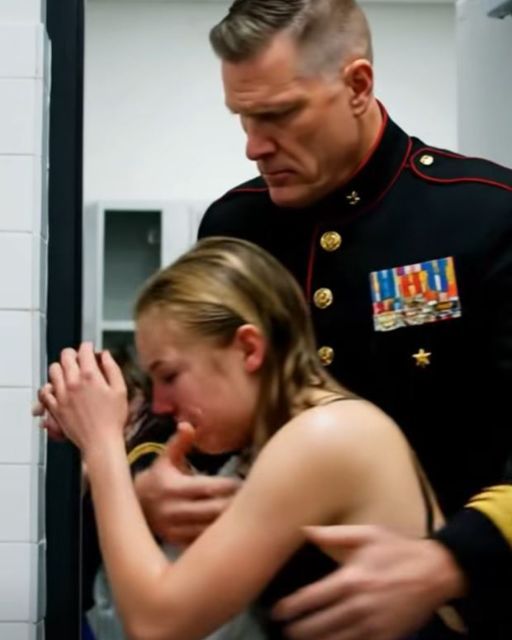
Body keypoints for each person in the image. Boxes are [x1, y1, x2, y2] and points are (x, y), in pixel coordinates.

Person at [142, 0, 512, 638]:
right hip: (273, 613)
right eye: (243, 118)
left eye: (278, 114)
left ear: (357, 86)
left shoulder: (484, 217)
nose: (254, 146)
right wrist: (150, 477)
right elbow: (186, 402)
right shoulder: (236, 226)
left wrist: (453, 559)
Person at [38, 237, 464, 640]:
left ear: (248, 349)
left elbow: (157, 624)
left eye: (169, 376)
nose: (162, 405)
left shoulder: (324, 437)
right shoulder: (283, 433)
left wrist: (103, 443)